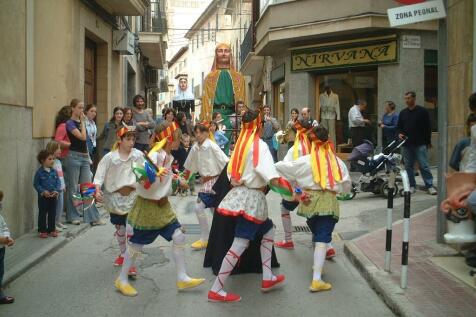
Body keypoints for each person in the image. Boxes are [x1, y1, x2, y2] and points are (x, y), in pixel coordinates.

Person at [115, 122, 204, 296]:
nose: (181, 140)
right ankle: (122, 279)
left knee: (178, 236)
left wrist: (177, 180)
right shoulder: (155, 156)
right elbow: (141, 178)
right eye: (178, 137)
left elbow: (165, 179)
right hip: (148, 206)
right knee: (136, 246)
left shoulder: (166, 156)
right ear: (169, 139)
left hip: (162, 206)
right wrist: (153, 174)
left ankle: (182, 277)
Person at [207, 109, 287, 303]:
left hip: (242, 196)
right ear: (258, 125)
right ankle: (216, 289)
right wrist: (292, 191)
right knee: (241, 242)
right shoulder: (259, 145)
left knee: (268, 231)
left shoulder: (240, 145)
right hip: (252, 200)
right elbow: (269, 174)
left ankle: (267, 277)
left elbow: (231, 177)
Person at [276, 126, 351, 292]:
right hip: (327, 203)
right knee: (323, 237)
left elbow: (281, 168)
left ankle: (319, 264)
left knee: (317, 232)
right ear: (327, 140)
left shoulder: (305, 160)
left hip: (308, 202)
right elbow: (346, 186)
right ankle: (316, 279)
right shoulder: (337, 162)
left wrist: (297, 190)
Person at [94, 126, 141, 276]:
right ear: (120, 140)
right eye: (128, 139)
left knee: (130, 230)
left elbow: (147, 173)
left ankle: (130, 264)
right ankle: (122, 254)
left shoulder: (138, 155)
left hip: (133, 197)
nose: (131, 142)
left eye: (133, 139)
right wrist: (97, 190)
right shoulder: (110, 157)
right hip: (114, 199)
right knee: (120, 228)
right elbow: (99, 175)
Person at [183, 123, 229, 250]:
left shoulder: (212, 146)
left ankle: (205, 238)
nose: (198, 135)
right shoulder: (195, 148)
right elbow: (189, 165)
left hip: (216, 180)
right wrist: (183, 180)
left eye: (200, 132)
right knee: (215, 210)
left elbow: (225, 162)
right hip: (205, 181)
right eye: (196, 133)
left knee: (199, 207)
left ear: (206, 133)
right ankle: (216, 237)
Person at [64, 99, 105, 226]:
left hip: (84, 157)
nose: (82, 110)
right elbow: (82, 137)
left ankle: (92, 217)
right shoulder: (69, 123)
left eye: (82, 108)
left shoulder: (82, 123)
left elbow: (85, 142)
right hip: (73, 157)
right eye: (79, 108)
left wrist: (87, 156)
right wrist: (82, 122)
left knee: (88, 187)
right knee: (73, 188)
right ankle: (72, 216)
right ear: (73, 108)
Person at [201, 43, 246, 155]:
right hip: (216, 117)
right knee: (215, 148)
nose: (223, 53)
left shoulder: (239, 78)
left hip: (232, 117)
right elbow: (206, 103)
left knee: (232, 149)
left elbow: (242, 101)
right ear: (216, 54)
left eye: (226, 51)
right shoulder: (209, 78)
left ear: (231, 54)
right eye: (220, 51)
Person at [397, 91, 436, 195]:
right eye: (405, 98)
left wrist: (428, 141)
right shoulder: (403, 113)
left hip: (420, 143)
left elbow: (428, 127)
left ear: (414, 99)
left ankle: (429, 185)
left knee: (424, 165)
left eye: (409, 98)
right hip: (407, 144)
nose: (407, 100)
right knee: (408, 166)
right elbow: (399, 127)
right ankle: (412, 186)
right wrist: (400, 134)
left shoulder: (422, 111)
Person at [34, 150, 61, 238]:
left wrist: (57, 190)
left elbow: (58, 182)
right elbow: (36, 184)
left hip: (53, 196)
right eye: (49, 159)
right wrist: (42, 191)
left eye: (53, 159)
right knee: (42, 213)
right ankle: (42, 230)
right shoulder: (39, 173)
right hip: (43, 198)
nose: (52, 161)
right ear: (42, 161)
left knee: (52, 213)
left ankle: (51, 229)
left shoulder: (54, 171)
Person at [45, 141, 67, 232]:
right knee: (54, 207)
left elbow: (61, 176)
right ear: (52, 150)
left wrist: (63, 185)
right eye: (58, 149)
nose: (60, 150)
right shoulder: (51, 162)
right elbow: (51, 177)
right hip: (55, 190)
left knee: (60, 206)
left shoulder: (58, 161)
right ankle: (52, 223)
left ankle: (58, 221)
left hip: (60, 188)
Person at [0, 191, 15, 304]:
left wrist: (7, 238)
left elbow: (4, 227)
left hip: (1, 249)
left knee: (0, 271)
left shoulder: (0, 216)